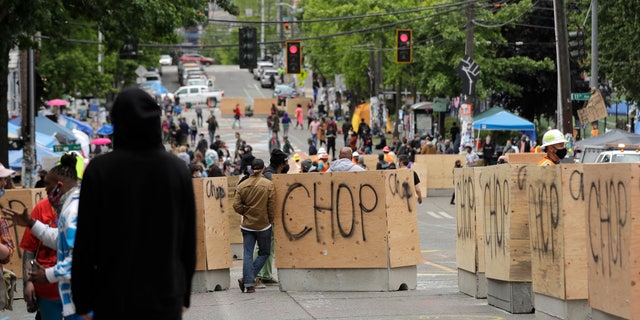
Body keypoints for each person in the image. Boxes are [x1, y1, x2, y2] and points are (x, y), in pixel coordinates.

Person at [71, 87, 197, 319]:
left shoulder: (100, 171)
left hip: (113, 296)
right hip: (164, 296)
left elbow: (86, 241)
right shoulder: (177, 170)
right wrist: (184, 294)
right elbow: (187, 239)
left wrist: (82, 300)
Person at [2, 154, 82, 319]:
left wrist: (48, 274)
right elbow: (60, 239)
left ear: (58, 187)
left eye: (47, 185)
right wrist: (32, 223)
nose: (45, 190)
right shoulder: (70, 207)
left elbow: (80, 258)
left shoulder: (72, 211)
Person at [234, 159, 275, 294]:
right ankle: (248, 279)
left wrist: (246, 212)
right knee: (265, 252)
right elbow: (271, 207)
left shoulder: (242, 185)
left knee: (247, 253)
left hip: (247, 225)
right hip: (263, 225)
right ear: (263, 169)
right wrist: (270, 220)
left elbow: (236, 206)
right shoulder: (269, 185)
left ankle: (249, 283)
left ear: (252, 168)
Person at [20, 197, 63, 319]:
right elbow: (29, 248)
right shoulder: (41, 208)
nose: (47, 190)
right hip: (47, 292)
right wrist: (27, 282)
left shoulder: (84, 206)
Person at [254, 149, 289, 286]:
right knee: (262, 246)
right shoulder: (270, 176)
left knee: (270, 245)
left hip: (270, 215)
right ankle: (255, 275)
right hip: (265, 216)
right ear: (281, 163)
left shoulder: (273, 174)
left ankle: (266, 275)